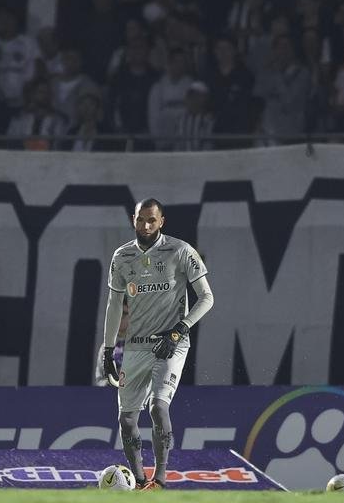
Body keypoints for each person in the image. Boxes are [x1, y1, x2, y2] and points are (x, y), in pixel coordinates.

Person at [101, 199, 215, 489]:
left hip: (170, 342)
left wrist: (179, 329)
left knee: (157, 408)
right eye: (141, 220)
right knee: (126, 420)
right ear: (133, 219)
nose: (146, 226)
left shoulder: (180, 250)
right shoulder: (122, 256)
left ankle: (160, 480)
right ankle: (140, 484)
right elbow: (115, 304)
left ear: (161, 221)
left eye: (152, 220)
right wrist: (107, 349)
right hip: (135, 347)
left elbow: (207, 298)